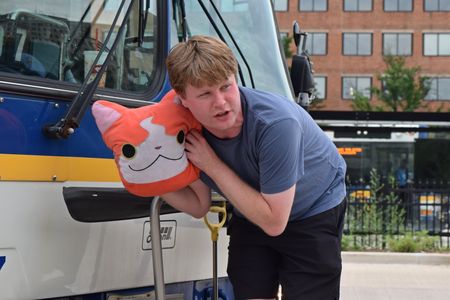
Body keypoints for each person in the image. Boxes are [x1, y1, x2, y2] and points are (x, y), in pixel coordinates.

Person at [161, 35, 347, 300]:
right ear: (182, 99)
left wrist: (212, 165)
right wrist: (146, 181)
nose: (221, 102)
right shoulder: (182, 126)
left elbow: (274, 222)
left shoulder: (275, 124)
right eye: (205, 94)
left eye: (226, 86)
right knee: (250, 290)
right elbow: (199, 205)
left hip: (312, 207)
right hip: (251, 210)